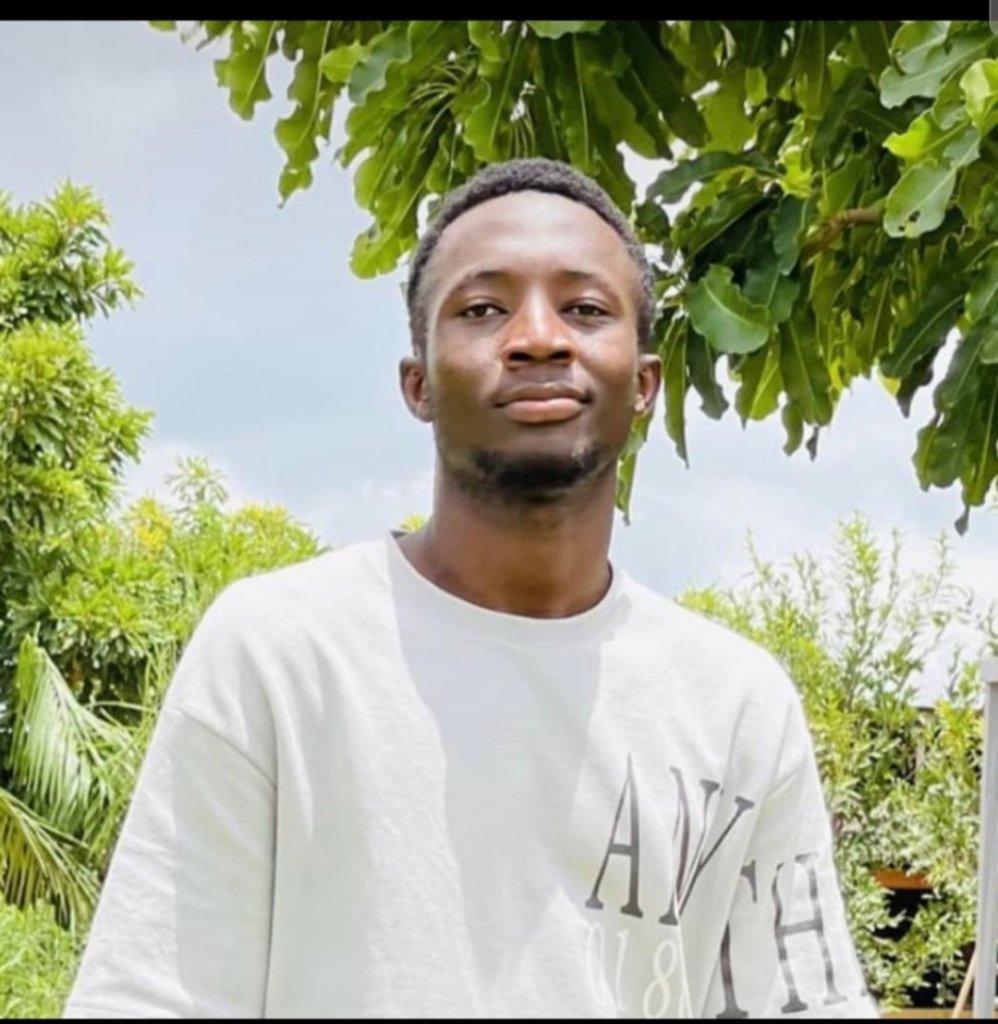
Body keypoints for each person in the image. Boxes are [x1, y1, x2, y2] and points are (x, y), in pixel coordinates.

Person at [64, 158, 878, 1019]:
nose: (538, 338)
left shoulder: (736, 704)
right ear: (417, 383)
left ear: (644, 383)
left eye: (585, 309)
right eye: (483, 309)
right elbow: (148, 1000)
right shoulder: (280, 654)